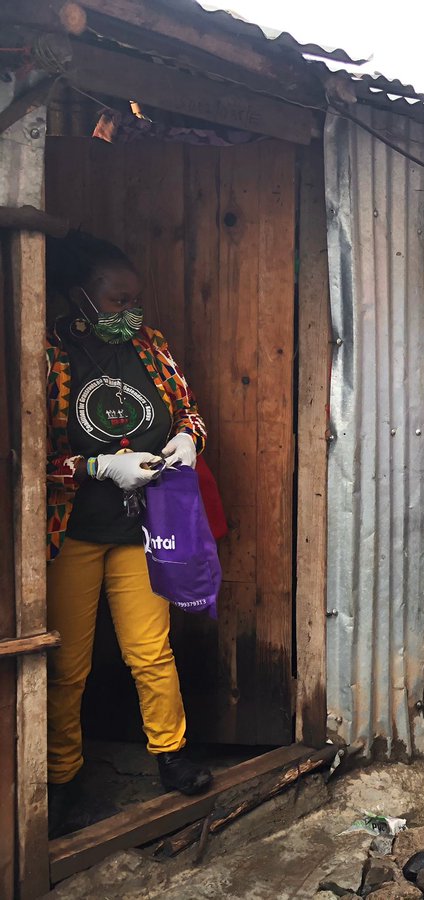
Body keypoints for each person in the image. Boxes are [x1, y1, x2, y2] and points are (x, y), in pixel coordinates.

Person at [45, 231, 213, 833]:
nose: (129, 314)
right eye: (117, 302)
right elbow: (24, 456)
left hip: (140, 529)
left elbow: (187, 408)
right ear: (79, 298)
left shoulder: (150, 347)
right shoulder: (47, 355)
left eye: (133, 301)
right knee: (66, 665)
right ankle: (61, 776)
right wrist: (94, 466)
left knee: (151, 652)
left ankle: (170, 757)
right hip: (74, 534)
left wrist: (188, 437)